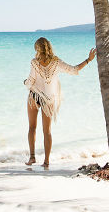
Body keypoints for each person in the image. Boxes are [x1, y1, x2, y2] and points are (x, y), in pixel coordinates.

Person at [23, 37, 95, 169]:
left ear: (37, 49)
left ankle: (32, 157)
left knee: (32, 127)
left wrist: (25, 83)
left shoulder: (34, 62)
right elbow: (74, 70)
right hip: (49, 99)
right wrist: (88, 60)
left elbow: (30, 81)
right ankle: (46, 162)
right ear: (49, 47)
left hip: (34, 96)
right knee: (47, 131)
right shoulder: (56, 62)